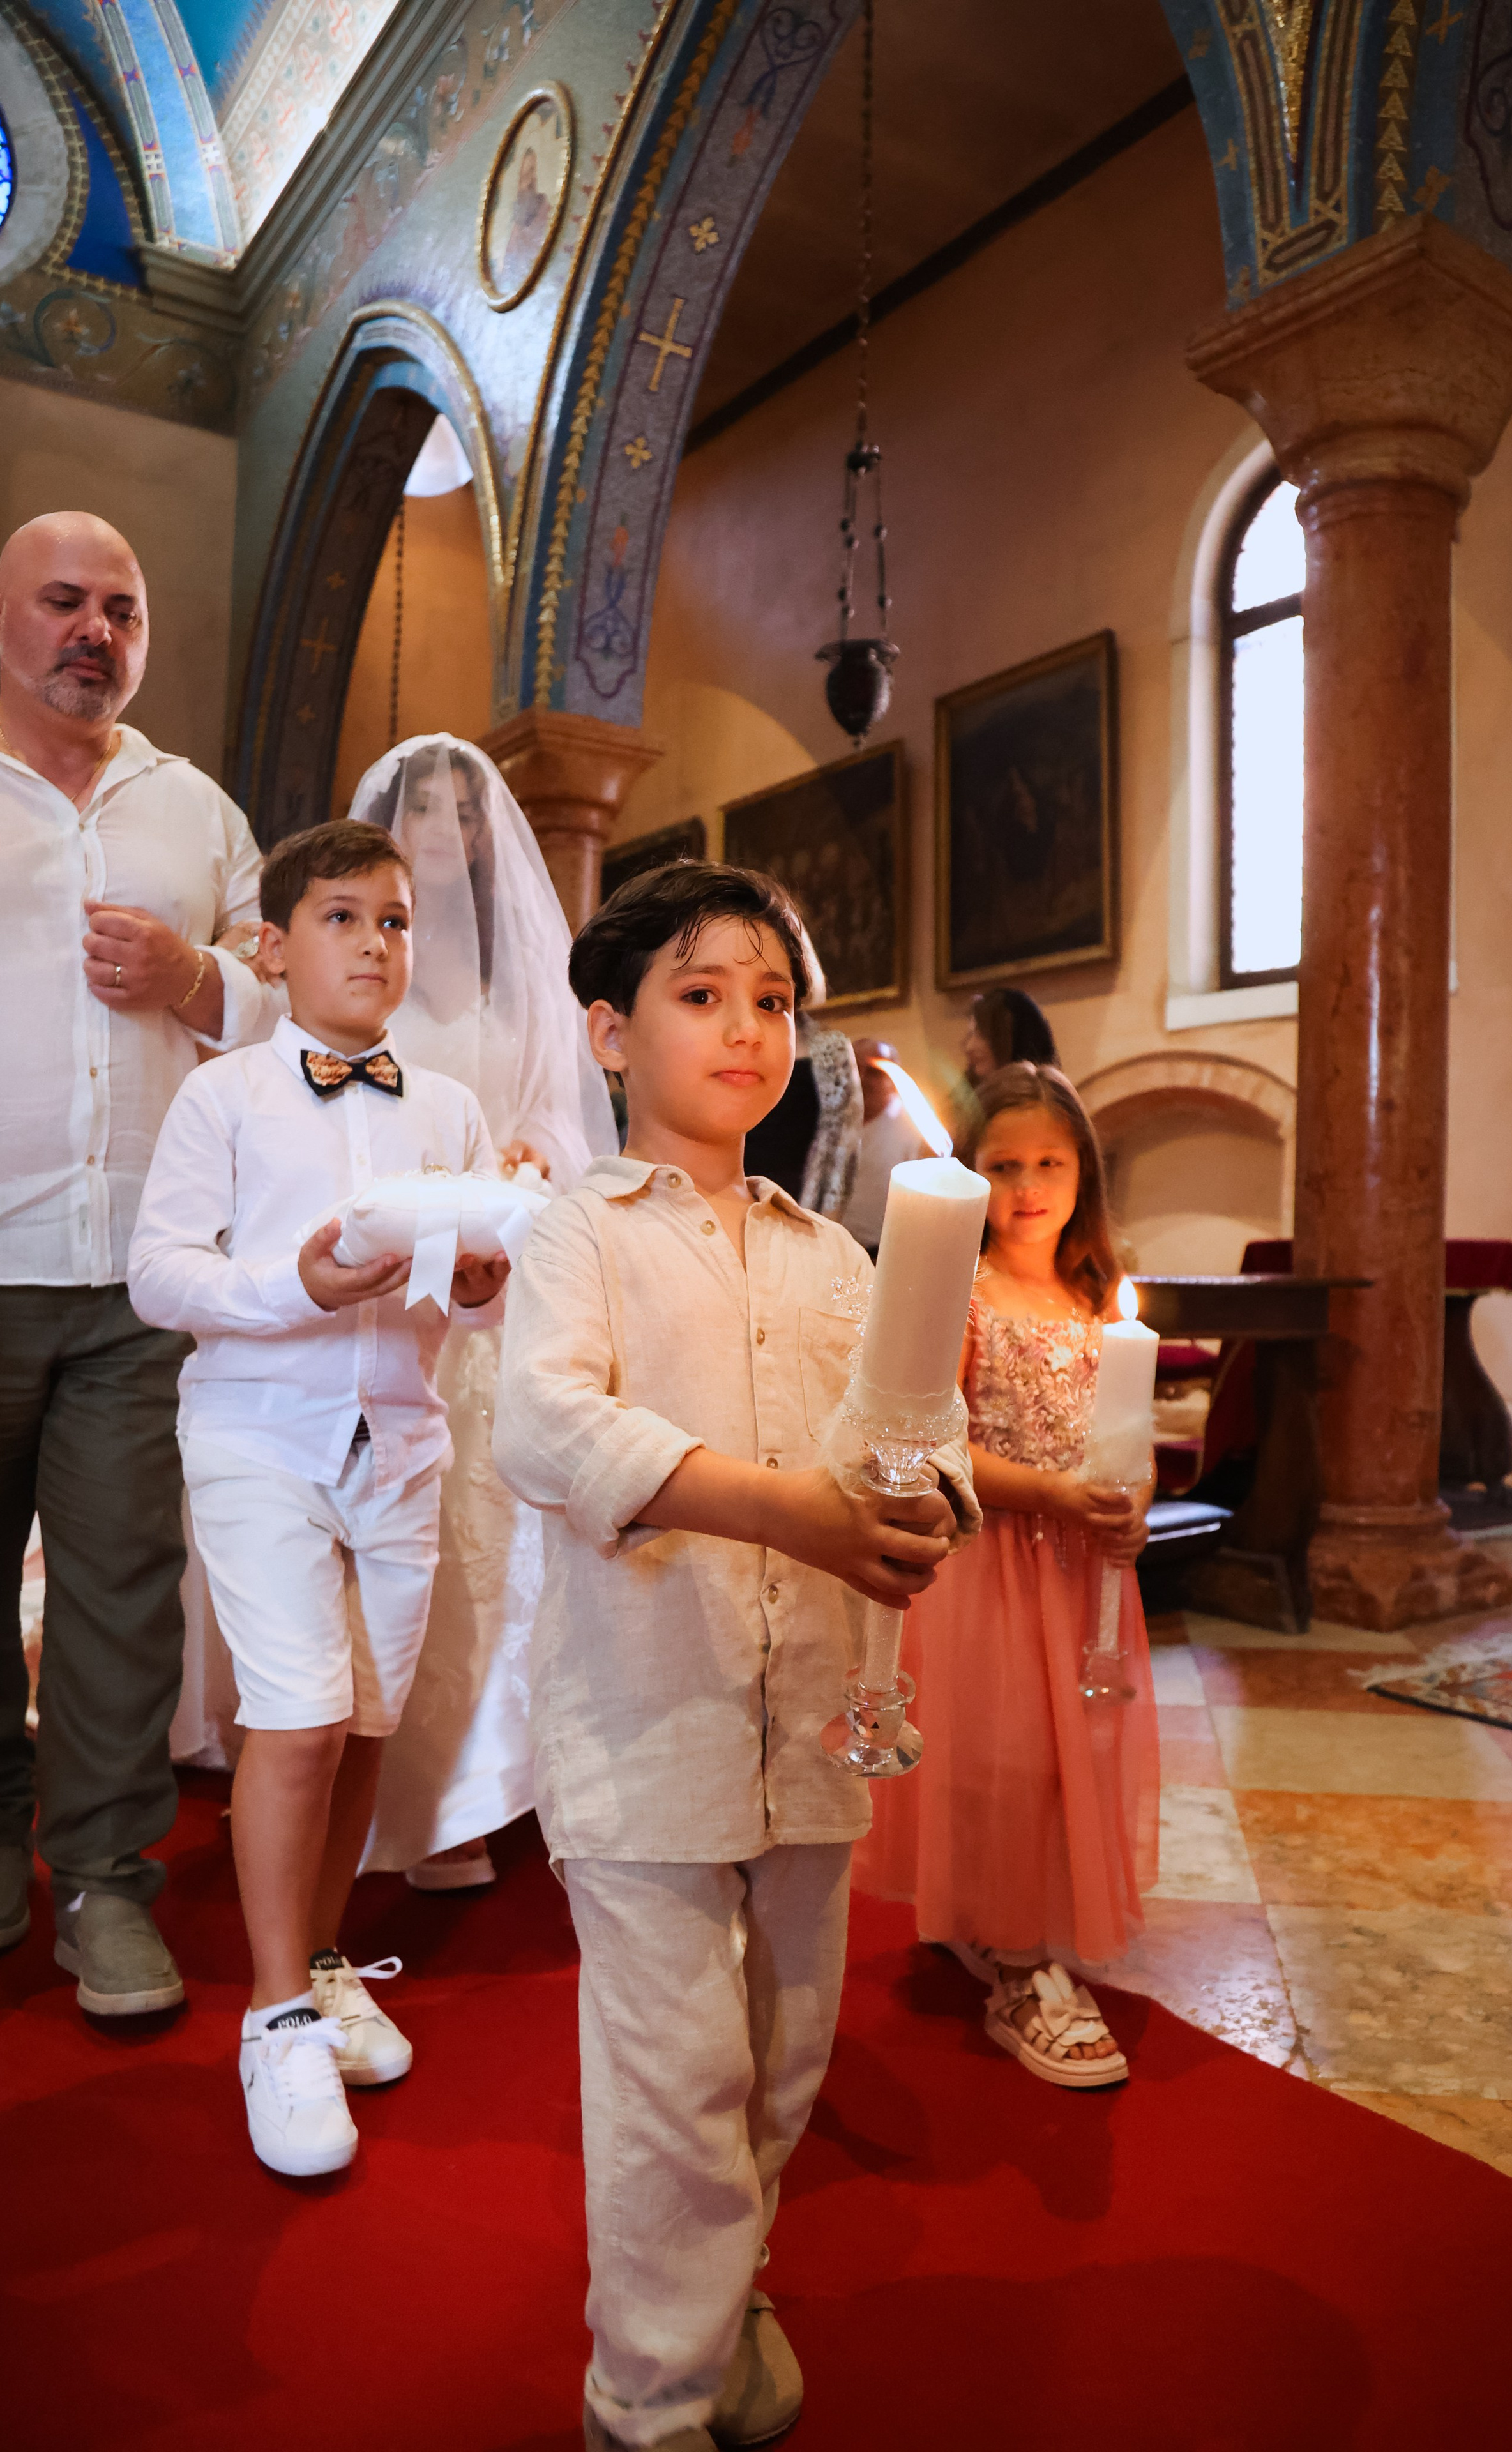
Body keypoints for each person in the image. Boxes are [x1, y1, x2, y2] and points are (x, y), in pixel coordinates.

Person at [495, 862, 979, 2452]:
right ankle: (642, 2403)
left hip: (813, 1720)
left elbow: (918, 1423)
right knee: (673, 2073)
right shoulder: (578, 1228)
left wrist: (928, 1488)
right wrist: (795, 1513)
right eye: (701, 995)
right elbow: (549, 1422)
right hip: (647, 1719)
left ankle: (724, 2290)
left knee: (780, 2055)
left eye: (771, 999)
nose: (748, 1028)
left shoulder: (833, 1256)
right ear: (608, 1033)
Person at [126, 821, 509, 2177]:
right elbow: (161, 1278)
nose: (374, 943)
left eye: (395, 921)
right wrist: (295, 1284)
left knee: (362, 1727)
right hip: (259, 1439)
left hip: (398, 1448)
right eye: (344, 918)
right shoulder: (222, 1096)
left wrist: (475, 1281)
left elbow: (459, 1297)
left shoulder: (451, 1109)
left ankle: (327, 1962)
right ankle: (274, 2017)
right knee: (292, 1717)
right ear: (276, 948)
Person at [0, 511, 281, 2009]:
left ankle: (101, 1877)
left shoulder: (201, 815)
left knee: (119, 1591)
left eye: (123, 608)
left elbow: (291, 1028)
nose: (94, 629)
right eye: (63, 602)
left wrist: (194, 976)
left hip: (144, 1275)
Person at [347, 734, 616, 1888]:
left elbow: (567, 1119)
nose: (443, 833)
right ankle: (394, 1792)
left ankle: (478, 1788)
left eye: (462, 814)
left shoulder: (524, 987)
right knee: (401, 1547)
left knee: (495, 1545)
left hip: (496, 1291)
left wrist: (527, 1154)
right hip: (397, 1297)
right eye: (420, 813)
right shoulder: (361, 971)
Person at [857, 1062, 1159, 2087]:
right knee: (1002, 1757)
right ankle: (1021, 1966)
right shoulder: (968, 1292)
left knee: (1069, 1761)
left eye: (1051, 1163)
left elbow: (1126, 1437)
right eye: (1004, 1164)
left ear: (1085, 1174)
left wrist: (1131, 1506)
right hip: (991, 1565)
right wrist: (1056, 1495)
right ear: (969, 1172)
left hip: (1080, 1577)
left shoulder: (1092, 1295)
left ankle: (1007, 1922)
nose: (1029, 1186)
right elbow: (936, 1442)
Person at [741, 924, 861, 1216]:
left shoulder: (829, 1047)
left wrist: (824, 1220)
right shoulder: (740, 1037)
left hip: (799, 1200)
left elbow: (841, 1146)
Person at [841, 1036, 931, 1257]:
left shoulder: (916, 1130)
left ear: (893, 1078)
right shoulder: (830, 1123)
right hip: (838, 1251)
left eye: (873, 1072)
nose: (860, 1078)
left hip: (889, 1254)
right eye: (853, 1068)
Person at [960, 985, 1057, 1087]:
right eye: (970, 1035)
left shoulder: (1043, 1099)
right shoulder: (967, 1098)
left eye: (981, 1035)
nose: (969, 1047)